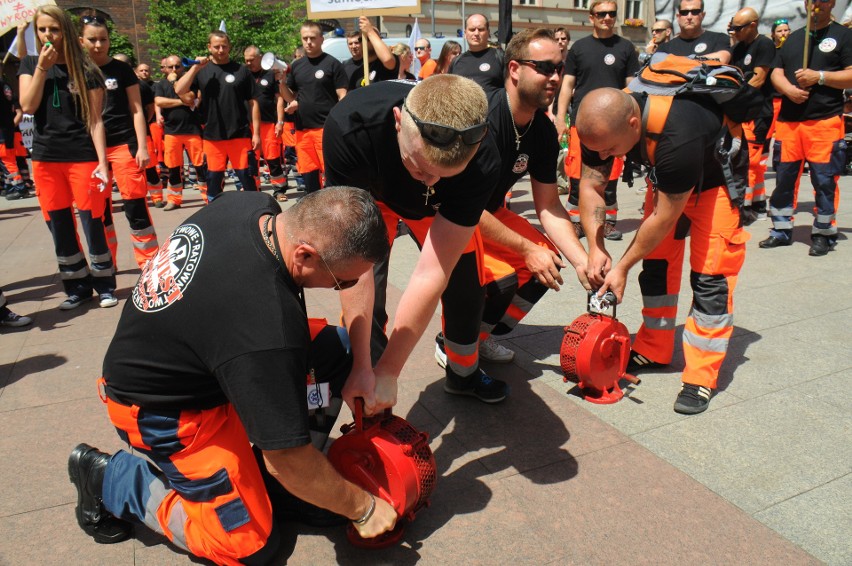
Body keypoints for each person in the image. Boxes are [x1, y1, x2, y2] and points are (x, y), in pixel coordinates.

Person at [68, 188, 396, 564]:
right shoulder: (267, 329)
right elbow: (284, 456)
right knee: (248, 546)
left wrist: (361, 369)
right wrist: (363, 508)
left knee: (337, 350)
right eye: (343, 282)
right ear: (304, 255)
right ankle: (112, 478)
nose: (348, 289)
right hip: (165, 411)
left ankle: (286, 487)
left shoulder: (255, 207)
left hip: (215, 359)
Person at [323, 74, 509, 410]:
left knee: (465, 285)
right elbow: (354, 270)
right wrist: (369, 368)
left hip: (436, 210)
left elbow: (430, 273)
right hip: (373, 198)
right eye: (419, 166)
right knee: (368, 288)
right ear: (398, 121)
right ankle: (367, 384)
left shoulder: (484, 157)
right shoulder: (349, 127)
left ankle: (462, 374)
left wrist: (392, 371)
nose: (431, 180)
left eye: (444, 174)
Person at [575, 87, 750, 415]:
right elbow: (590, 186)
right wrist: (595, 247)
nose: (606, 156)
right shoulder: (600, 126)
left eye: (612, 150)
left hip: (716, 188)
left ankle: (700, 376)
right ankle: (654, 349)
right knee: (655, 267)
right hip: (669, 181)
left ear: (632, 123)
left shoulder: (677, 134)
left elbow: (664, 217)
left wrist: (621, 266)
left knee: (711, 280)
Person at [435, 28, 591, 368]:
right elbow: (464, 204)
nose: (554, 77)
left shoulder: (543, 130)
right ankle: (452, 342)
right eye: (545, 67)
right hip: (449, 213)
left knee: (546, 263)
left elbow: (549, 205)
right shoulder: (483, 119)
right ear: (515, 69)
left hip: (486, 210)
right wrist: (526, 248)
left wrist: (583, 262)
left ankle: (479, 336)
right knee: (502, 279)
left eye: (559, 68)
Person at [18, 5, 117, 310]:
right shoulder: (30, 63)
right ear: (37, 33)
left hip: (82, 157)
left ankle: (104, 284)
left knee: (92, 222)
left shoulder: (85, 68)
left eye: (55, 29)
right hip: (46, 158)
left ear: (66, 31)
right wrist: (42, 69)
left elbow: (96, 120)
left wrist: (102, 162)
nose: (49, 35)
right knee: (59, 224)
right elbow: (28, 105)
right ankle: (77, 286)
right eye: (42, 30)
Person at [760, 0, 852, 256]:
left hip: (824, 122)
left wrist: (819, 76)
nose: (816, 5)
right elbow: (776, 72)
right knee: (784, 180)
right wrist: (787, 89)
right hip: (789, 124)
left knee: (824, 181)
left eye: (822, 1)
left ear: (832, 3)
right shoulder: (793, 37)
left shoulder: (843, 35)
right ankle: (780, 229)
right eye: (812, 0)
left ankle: (824, 232)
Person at [555, 0, 640, 242]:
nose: (607, 18)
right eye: (601, 14)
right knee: (576, 175)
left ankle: (607, 223)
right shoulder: (579, 48)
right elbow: (567, 86)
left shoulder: (625, 48)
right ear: (591, 17)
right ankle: (578, 222)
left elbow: (631, 87)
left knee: (610, 178)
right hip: (582, 125)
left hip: (614, 128)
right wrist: (561, 119)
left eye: (612, 13)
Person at [80, 16, 160, 271]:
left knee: (135, 206)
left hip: (124, 146)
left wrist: (143, 146)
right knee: (99, 211)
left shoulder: (122, 70)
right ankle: (106, 263)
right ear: (81, 41)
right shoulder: (77, 71)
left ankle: (149, 262)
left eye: (103, 39)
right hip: (90, 150)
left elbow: (137, 110)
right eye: (92, 39)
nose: (98, 44)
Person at [175, 30, 261, 201]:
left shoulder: (241, 71)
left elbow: (253, 103)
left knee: (247, 177)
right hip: (212, 136)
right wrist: (195, 67)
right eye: (216, 47)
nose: (221, 50)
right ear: (209, 47)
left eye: (224, 46)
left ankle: (255, 212)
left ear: (229, 47)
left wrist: (257, 133)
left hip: (240, 134)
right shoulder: (201, 71)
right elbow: (179, 90)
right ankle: (214, 214)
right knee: (213, 180)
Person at [278, 20, 347, 195]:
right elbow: (290, 97)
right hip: (302, 130)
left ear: (321, 39)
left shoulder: (332, 64)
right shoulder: (297, 66)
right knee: (308, 175)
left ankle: (334, 211)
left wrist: (338, 124)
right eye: (305, 38)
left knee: (331, 174)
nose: (308, 42)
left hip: (325, 129)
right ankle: (314, 212)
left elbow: (342, 96)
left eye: (312, 38)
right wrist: (281, 82)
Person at [728, 7, 776, 221]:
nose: (734, 32)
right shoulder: (738, 47)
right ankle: (756, 202)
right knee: (743, 159)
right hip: (741, 111)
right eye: (732, 28)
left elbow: (759, 78)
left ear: (753, 25)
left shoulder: (764, 44)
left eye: (738, 28)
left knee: (753, 161)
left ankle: (746, 207)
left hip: (757, 111)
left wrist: (736, 96)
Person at [154, 55, 208, 209]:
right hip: (171, 131)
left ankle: (207, 197)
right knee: (173, 168)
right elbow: (159, 101)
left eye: (177, 66)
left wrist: (174, 83)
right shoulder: (161, 84)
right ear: (164, 68)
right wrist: (182, 102)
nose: (174, 70)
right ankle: (174, 200)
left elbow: (191, 99)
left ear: (182, 67)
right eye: (170, 67)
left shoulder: (191, 81)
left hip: (192, 130)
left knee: (200, 166)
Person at [244, 46, 288, 198]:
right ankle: (254, 190)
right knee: (251, 160)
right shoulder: (243, 75)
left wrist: (280, 121)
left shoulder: (270, 75)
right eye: (246, 60)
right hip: (247, 125)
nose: (249, 63)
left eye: (252, 60)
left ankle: (279, 189)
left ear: (259, 58)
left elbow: (279, 99)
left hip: (268, 124)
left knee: (273, 158)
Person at [658, 0, 731, 62]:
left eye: (695, 12)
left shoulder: (719, 39)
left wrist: (678, 63)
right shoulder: (664, 48)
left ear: (703, 15)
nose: (689, 17)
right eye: (684, 12)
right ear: (678, 17)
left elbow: (723, 58)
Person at [450, 14, 504, 97]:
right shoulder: (456, 62)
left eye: (481, 29)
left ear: (488, 32)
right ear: (465, 33)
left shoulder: (500, 57)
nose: (476, 33)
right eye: (472, 29)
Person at [347, 16, 398, 90]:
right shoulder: (357, 71)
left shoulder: (386, 63)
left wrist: (370, 31)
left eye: (368, 38)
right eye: (361, 39)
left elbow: (387, 60)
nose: (364, 42)